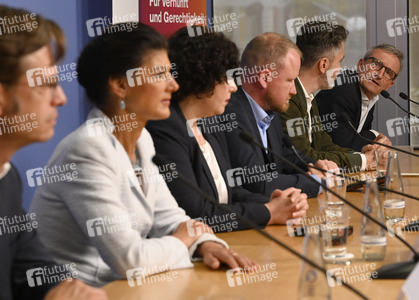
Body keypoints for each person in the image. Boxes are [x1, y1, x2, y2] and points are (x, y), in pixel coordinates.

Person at [30, 23, 256, 288]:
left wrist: (205, 244)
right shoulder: (87, 150)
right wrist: (183, 241)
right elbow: (130, 260)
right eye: (160, 74)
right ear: (120, 86)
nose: (173, 84)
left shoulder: (143, 140)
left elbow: (171, 218)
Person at [147, 27, 309, 232]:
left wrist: (279, 201)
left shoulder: (208, 124)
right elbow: (198, 213)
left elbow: (232, 193)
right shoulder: (166, 129)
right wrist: (268, 211)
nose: (233, 87)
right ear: (203, 78)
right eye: (226, 79)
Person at [0, 5, 107, 300]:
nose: (61, 98)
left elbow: (30, 267)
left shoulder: (7, 177)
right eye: (47, 84)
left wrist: (63, 289)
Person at [222, 32, 337, 199]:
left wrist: (313, 166)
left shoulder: (271, 111)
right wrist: (315, 182)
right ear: (264, 78)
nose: (294, 90)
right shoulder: (230, 114)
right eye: (290, 80)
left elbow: (284, 155)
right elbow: (257, 183)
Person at [280, 21, 384, 172]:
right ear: (323, 65)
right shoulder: (288, 100)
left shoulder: (308, 97)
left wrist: (360, 154)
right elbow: (305, 157)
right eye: (339, 62)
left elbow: (324, 144)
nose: (340, 69)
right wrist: (362, 161)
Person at [316, 43, 404, 152]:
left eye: (388, 72)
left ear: (389, 85)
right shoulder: (343, 88)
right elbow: (342, 146)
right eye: (376, 64)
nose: (380, 75)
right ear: (360, 65)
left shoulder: (368, 96)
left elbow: (360, 139)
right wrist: (375, 135)